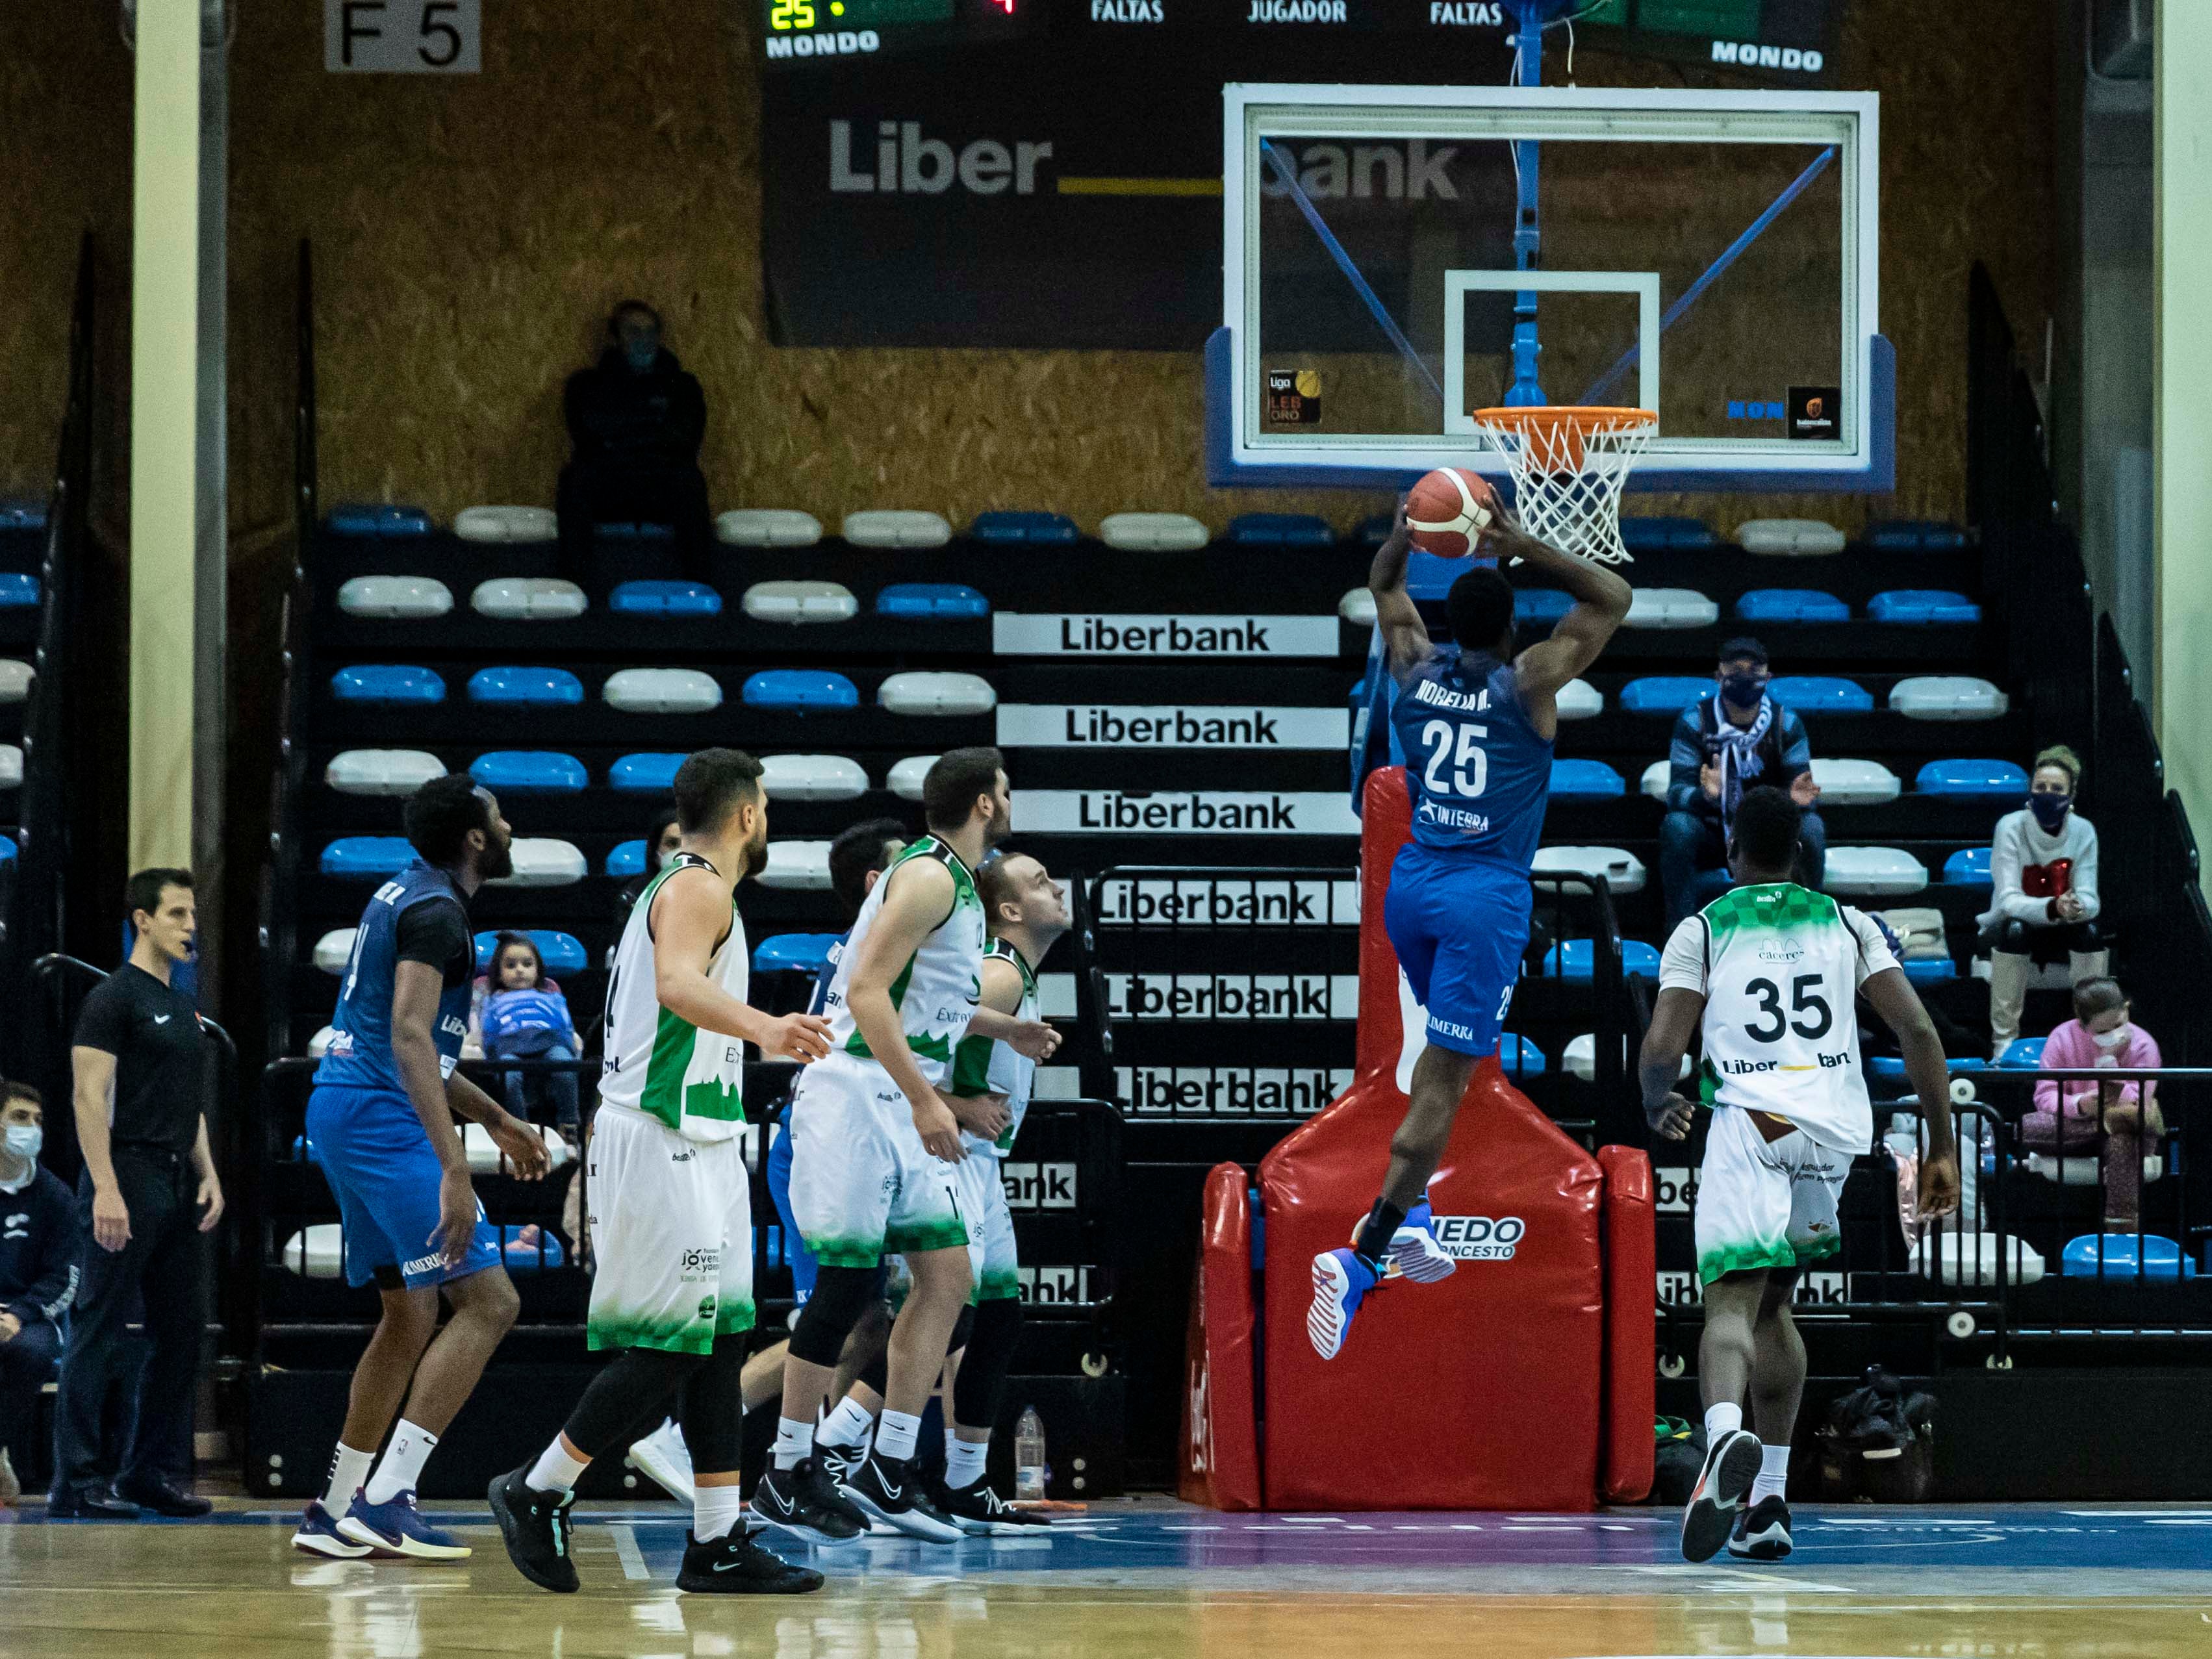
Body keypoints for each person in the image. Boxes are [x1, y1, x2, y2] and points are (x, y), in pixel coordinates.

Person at [487, 748, 830, 1597]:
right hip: (663, 1135)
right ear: (748, 813)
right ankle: (538, 1488)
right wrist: (768, 1030)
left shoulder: (701, 887)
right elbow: (678, 984)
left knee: (718, 1340)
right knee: (668, 1345)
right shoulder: (696, 885)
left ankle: (715, 1540)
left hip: (704, 1138)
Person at [1307, 502, 1633, 1360]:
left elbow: (1382, 584)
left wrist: (1406, 538)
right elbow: (1613, 597)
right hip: (1483, 895)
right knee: (1445, 1084)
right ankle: (1364, 1253)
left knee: (1431, 1063)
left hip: (1410, 888)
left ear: (1448, 619)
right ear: (1515, 625)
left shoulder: (1412, 666)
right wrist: (1525, 544)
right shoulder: (1528, 681)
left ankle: (1413, 1218)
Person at [1640, 787, 1960, 1565]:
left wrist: (1656, 1098)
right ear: (1803, 853)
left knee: (1729, 1302)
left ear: (1731, 850)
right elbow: (1917, 1028)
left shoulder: (1706, 927)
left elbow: (1663, 1045)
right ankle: (1770, 1503)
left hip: (1754, 1122)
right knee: (1776, 1305)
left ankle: (1722, 1441)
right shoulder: (1849, 924)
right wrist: (1943, 1146)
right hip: (1833, 1134)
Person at [752, 748, 1059, 1546]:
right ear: (986, 803)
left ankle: (887, 1467)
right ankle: (785, 1472)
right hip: (859, 1091)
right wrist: (931, 1100)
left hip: (898, 1089)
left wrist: (1003, 1026)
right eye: (1008, 787)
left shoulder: (953, 880)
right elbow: (864, 993)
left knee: (950, 1280)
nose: (1010, 798)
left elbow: (928, 997)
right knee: (850, 1287)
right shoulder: (927, 877)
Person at [291, 778, 552, 1560]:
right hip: (378, 1118)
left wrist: (499, 1119)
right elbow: (409, 1035)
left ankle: (335, 1506)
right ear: (476, 837)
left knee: (409, 1314)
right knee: (490, 1302)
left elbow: (418, 1048)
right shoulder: (438, 912)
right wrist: (455, 1167)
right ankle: (387, 1496)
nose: (509, 824)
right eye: (500, 816)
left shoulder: (407, 892)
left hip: (343, 1106)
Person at [624, 815, 908, 1507]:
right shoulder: (870, 957)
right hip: (822, 1143)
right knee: (841, 1316)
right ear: (881, 885)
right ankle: (691, 1444)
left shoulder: (892, 952)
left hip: (853, 1142)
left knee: (873, 1318)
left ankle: (832, 1467)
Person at [49, 870, 223, 1520]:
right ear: (142, 920)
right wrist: (106, 1188)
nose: (190, 926)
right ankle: (80, 1481)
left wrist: (210, 1172)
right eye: (177, 913)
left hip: (177, 1176)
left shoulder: (182, 1005)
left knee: (180, 1331)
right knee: (99, 1326)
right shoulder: (112, 997)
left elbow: (190, 1102)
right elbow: (87, 1096)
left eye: (192, 914)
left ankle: (148, 1470)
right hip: (127, 1171)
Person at [932, 850, 1068, 1532]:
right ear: (1009, 911)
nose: (1058, 887)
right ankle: (840, 1451)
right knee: (929, 1321)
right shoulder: (998, 972)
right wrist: (955, 1104)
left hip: (981, 1161)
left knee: (995, 1319)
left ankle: (964, 1482)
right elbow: (897, 1040)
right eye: (1040, 882)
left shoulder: (1016, 977)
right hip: (950, 1154)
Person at [1659, 639, 1827, 931]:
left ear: (1768, 679)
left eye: (1754, 670)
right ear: (1718, 676)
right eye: (1736, 669)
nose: (1745, 677)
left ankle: (1813, 926)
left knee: (1811, 827)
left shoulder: (1786, 722)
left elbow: (1802, 789)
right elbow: (1676, 794)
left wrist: (1795, 801)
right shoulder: (1694, 721)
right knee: (1677, 827)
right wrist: (1706, 796)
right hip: (1713, 831)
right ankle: (1680, 933)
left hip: (1770, 832)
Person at [555, 301, 711, 588]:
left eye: (651, 331)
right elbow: (587, 434)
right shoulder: (586, 385)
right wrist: (653, 423)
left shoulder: (683, 385)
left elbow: (685, 440)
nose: (645, 340)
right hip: (609, 486)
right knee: (575, 480)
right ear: (616, 338)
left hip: (661, 485)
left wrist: (619, 433)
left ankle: (702, 588)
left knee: (689, 481)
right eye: (634, 331)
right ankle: (573, 590)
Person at [1981, 745, 2105, 1061]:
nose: (2048, 794)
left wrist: (2078, 906)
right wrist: (2053, 907)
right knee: (2016, 931)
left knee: (2091, 933)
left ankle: (2090, 1038)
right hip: (2014, 924)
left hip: (2063, 924)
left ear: (2072, 793)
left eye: (2057, 789)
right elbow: (2008, 900)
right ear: (2031, 791)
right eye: (2041, 788)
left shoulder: (2084, 831)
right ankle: (2004, 1044)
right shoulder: (2010, 826)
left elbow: (2091, 897)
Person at [2028, 977, 2159, 1231]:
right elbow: (2044, 1096)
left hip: (2129, 1128)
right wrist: (2079, 1105)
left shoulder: (2144, 1046)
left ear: (2127, 1009)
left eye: (2119, 1025)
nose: (2112, 1035)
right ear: (2082, 1025)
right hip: (2076, 1125)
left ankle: (2121, 1233)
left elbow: (2135, 1102)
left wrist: (2108, 1064)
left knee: (2124, 1132)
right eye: (2101, 1032)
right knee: (2026, 1126)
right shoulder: (2062, 1037)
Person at [0, 1085, 73, 1504]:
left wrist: (19, 1315)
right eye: (20, 1118)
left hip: (30, 1318)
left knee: (30, 1353)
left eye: (38, 1121)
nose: (31, 1128)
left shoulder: (56, 1197)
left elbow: (65, 1276)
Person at [480, 934, 581, 1136]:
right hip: (509, 1046)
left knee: (565, 1065)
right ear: (499, 973)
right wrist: (490, 1054)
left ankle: (569, 1125)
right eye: (510, 965)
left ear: (538, 969)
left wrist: (571, 1043)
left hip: (549, 1041)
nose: (519, 970)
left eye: (527, 964)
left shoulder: (551, 996)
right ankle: (521, 1130)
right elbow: (488, 1030)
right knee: (510, 1076)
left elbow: (564, 1022)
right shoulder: (493, 1000)